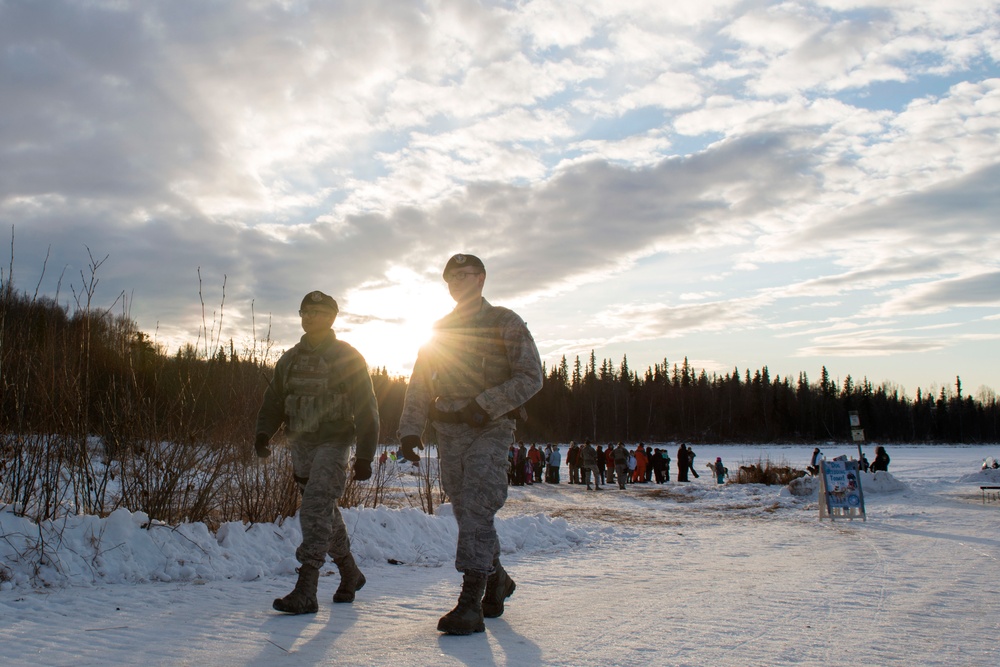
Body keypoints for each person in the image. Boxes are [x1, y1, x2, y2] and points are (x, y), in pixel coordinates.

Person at [396, 253, 543, 636]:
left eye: (466, 274)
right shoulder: (440, 329)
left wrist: (485, 404)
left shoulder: (504, 322)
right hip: (449, 433)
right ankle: (498, 581)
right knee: (466, 513)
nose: (458, 281)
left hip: (490, 428)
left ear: (481, 278)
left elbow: (531, 377)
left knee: (478, 506)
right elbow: (420, 384)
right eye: (452, 277)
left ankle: (470, 603)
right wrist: (410, 431)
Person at [253, 290, 379, 615]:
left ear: (332, 318)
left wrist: (364, 454)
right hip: (302, 444)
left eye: (318, 313)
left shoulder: (347, 357)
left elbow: (367, 407)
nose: (311, 317)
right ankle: (350, 573)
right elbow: (274, 401)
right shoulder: (290, 358)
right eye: (306, 312)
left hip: (334, 442)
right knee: (325, 511)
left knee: (313, 508)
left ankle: (307, 587)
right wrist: (264, 434)